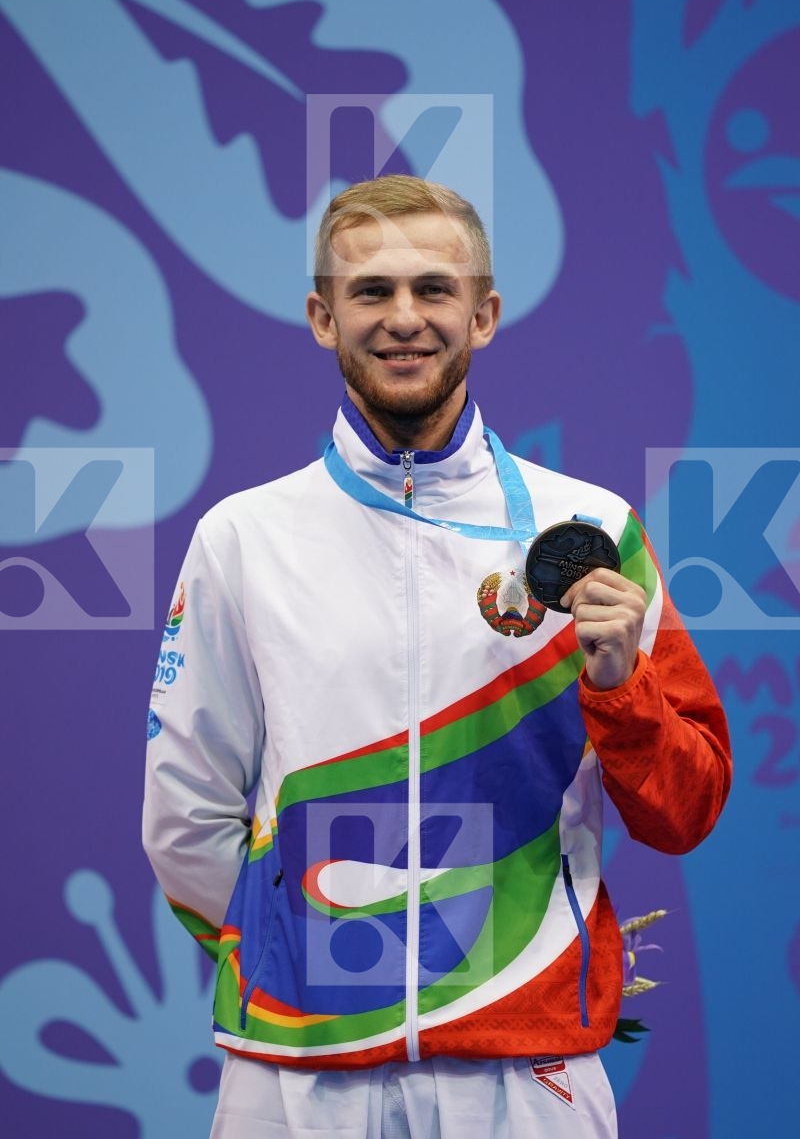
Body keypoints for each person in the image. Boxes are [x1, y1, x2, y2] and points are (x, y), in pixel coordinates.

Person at [143, 175, 731, 1138]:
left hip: (525, 1063)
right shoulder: (242, 538)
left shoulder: (590, 529)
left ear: (484, 315)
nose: (404, 318)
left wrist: (623, 693)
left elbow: (685, 809)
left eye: (434, 289)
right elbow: (184, 815)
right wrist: (292, 964)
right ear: (322, 317)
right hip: (300, 1074)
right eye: (371, 292)